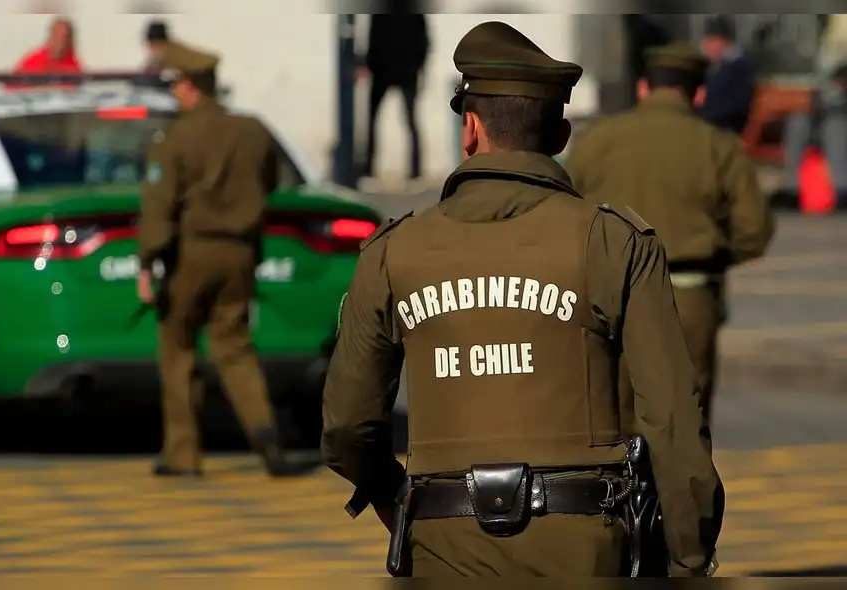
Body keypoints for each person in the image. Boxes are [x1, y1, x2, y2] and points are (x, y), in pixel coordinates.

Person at [322, 22, 723, 577]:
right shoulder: (613, 242)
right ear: (559, 136)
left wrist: (397, 498)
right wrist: (690, 556)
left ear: (470, 128)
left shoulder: (394, 252)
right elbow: (675, 420)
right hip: (587, 543)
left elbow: (346, 426)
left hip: (445, 543)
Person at [566, 42, 774, 424]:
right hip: (689, 294)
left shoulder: (595, 140)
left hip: (610, 296)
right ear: (699, 93)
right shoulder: (719, 146)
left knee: (614, 423)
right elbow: (754, 231)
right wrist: (715, 252)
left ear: (643, 88)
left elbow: (563, 211)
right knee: (682, 427)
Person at [136, 41, 304, 478]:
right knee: (234, 346)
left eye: (177, 85)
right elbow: (271, 179)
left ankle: (183, 453)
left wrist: (146, 261)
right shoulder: (250, 131)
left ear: (190, 88)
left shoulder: (174, 139)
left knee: (178, 346)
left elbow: (159, 205)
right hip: (241, 252)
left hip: (192, 252)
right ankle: (265, 435)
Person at [358, 3, 429, 185]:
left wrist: (370, 64)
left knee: (377, 121)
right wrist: (418, 68)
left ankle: (370, 170)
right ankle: (415, 172)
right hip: (402, 72)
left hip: (388, 72)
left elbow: (373, 40)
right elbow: (424, 42)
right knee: (409, 121)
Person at [773, 62, 847, 210]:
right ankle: (793, 189)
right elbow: (816, 108)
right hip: (821, 127)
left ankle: (842, 191)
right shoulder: (828, 90)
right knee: (798, 121)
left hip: (838, 130)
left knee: (836, 127)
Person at [698, 15, 756, 135]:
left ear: (724, 41)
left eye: (711, 41)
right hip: (708, 124)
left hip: (726, 129)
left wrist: (701, 116)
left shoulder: (739, 68)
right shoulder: (712, 67)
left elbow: (736, 106)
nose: (706, 46)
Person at [13, 16, 83, 75]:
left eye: (66, 37)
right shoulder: (34, 61)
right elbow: (13, 83)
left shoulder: (73, 67)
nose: (62, 41)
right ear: (51, 37)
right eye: (58, 36)